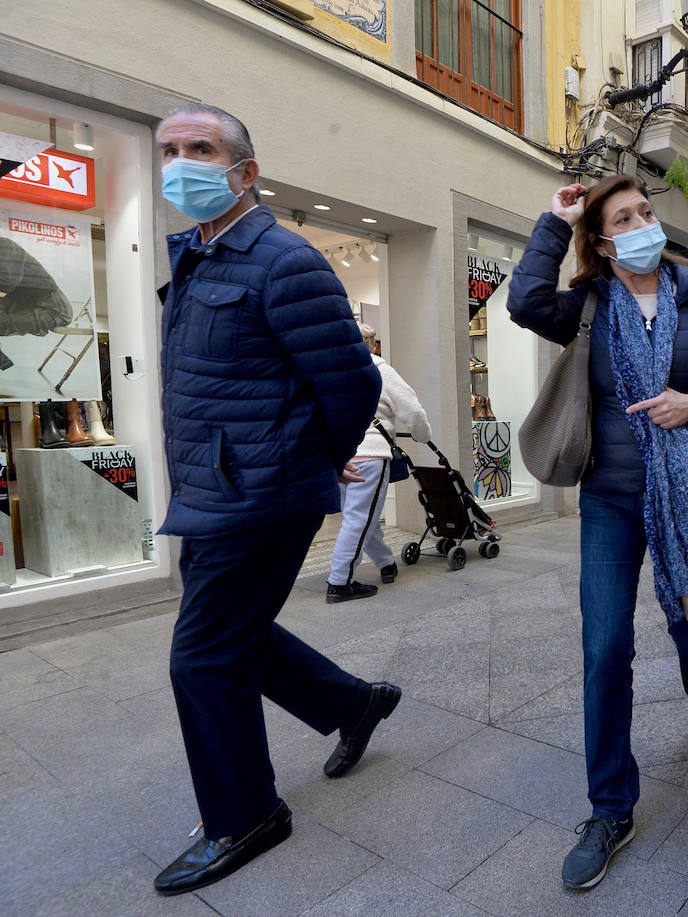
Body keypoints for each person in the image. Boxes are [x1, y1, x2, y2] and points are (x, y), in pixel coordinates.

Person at [152, 104, 401, 896]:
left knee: (202, 655)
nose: (180, 163)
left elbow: (353, 382)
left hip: (260, 495)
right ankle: (355, 704)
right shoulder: (199, 255)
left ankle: (247, 815)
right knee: (236, 634)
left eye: (200, 148)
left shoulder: (284, 260)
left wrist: (311, 463)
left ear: (245, 171)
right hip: (212, 488)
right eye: (169, 150)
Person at [506, 175, 688, 890]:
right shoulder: (588, 306)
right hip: (610, 499)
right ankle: (611, 808)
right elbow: (524, 302)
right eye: (625, 218)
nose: (644, 223)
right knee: (605, 645)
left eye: (647, 211)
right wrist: (555, 223)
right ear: (604, 241)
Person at [326, 322, 432, 603]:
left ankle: (386, 563)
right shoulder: (381, 370)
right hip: (370, 454)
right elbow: (412, 409)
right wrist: (423, 435)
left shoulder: (332, 370)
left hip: (339, 456)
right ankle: (339, 582)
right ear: (372, 344)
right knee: (359, 519)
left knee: (360, 516)